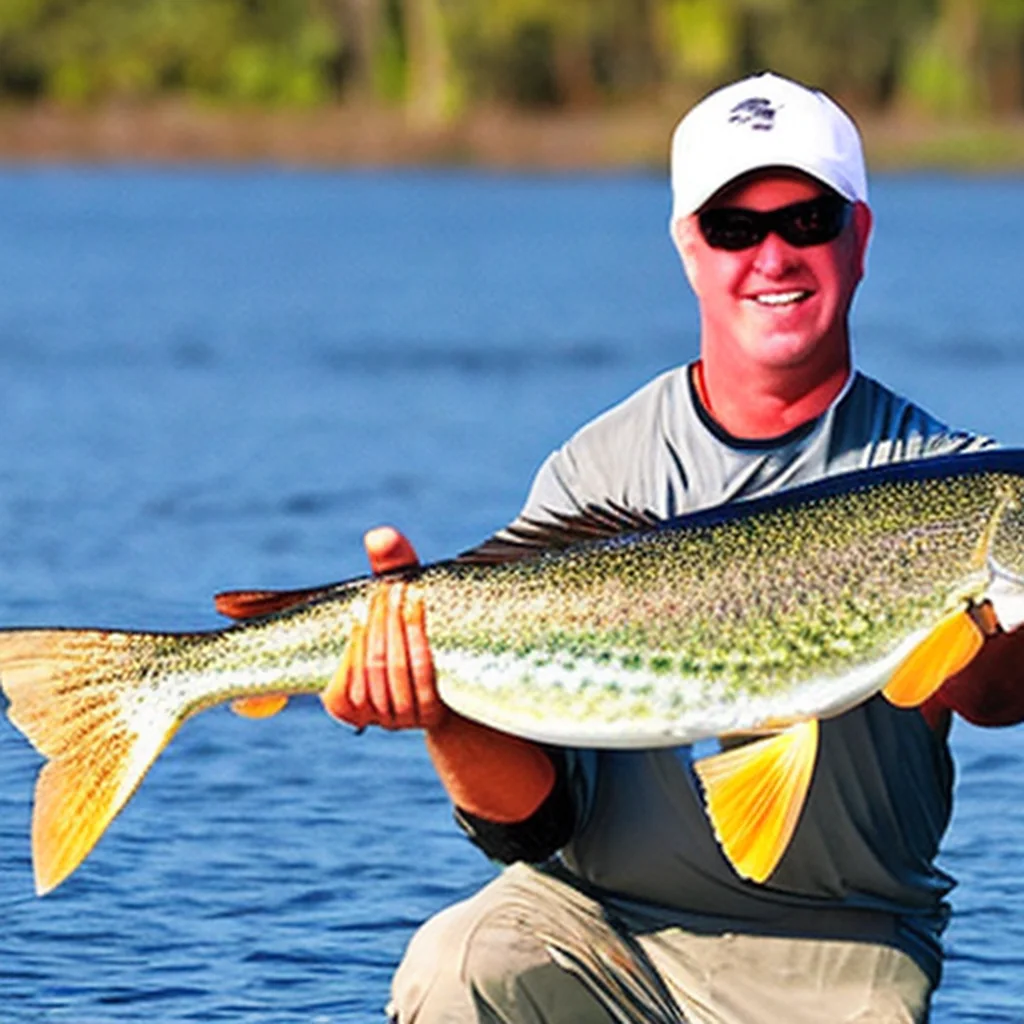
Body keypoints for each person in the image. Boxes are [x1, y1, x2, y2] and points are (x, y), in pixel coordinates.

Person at [322, 72, 1024, 1023]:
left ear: (859, 238)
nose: (774, 255)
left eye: (807, 221)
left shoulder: (948, 474)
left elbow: (995, 699)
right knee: (455, 964)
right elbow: (534, 821)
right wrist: (437, 708)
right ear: (690, 247)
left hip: (842, 944)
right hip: (591, 924)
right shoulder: (598, 470)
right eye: (736, 228)